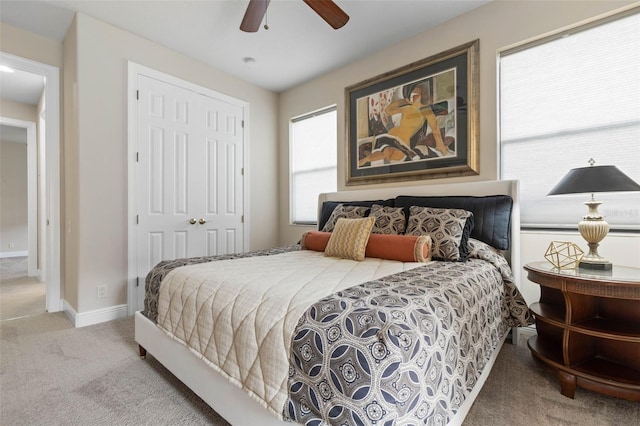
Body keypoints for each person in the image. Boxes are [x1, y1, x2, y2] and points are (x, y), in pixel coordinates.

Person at [358, 82, 451, 167]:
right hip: (394, 133)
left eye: (417, 94)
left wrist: (441, 146)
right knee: (385, 151)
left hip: (404, 140)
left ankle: (366, 159)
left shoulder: (426, 110)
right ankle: (366, 159)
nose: (414, 97)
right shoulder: (407, 107)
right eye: (412, 95)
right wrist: (403, 102)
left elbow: (435, 128)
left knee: (390, 155)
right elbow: (388, 111)